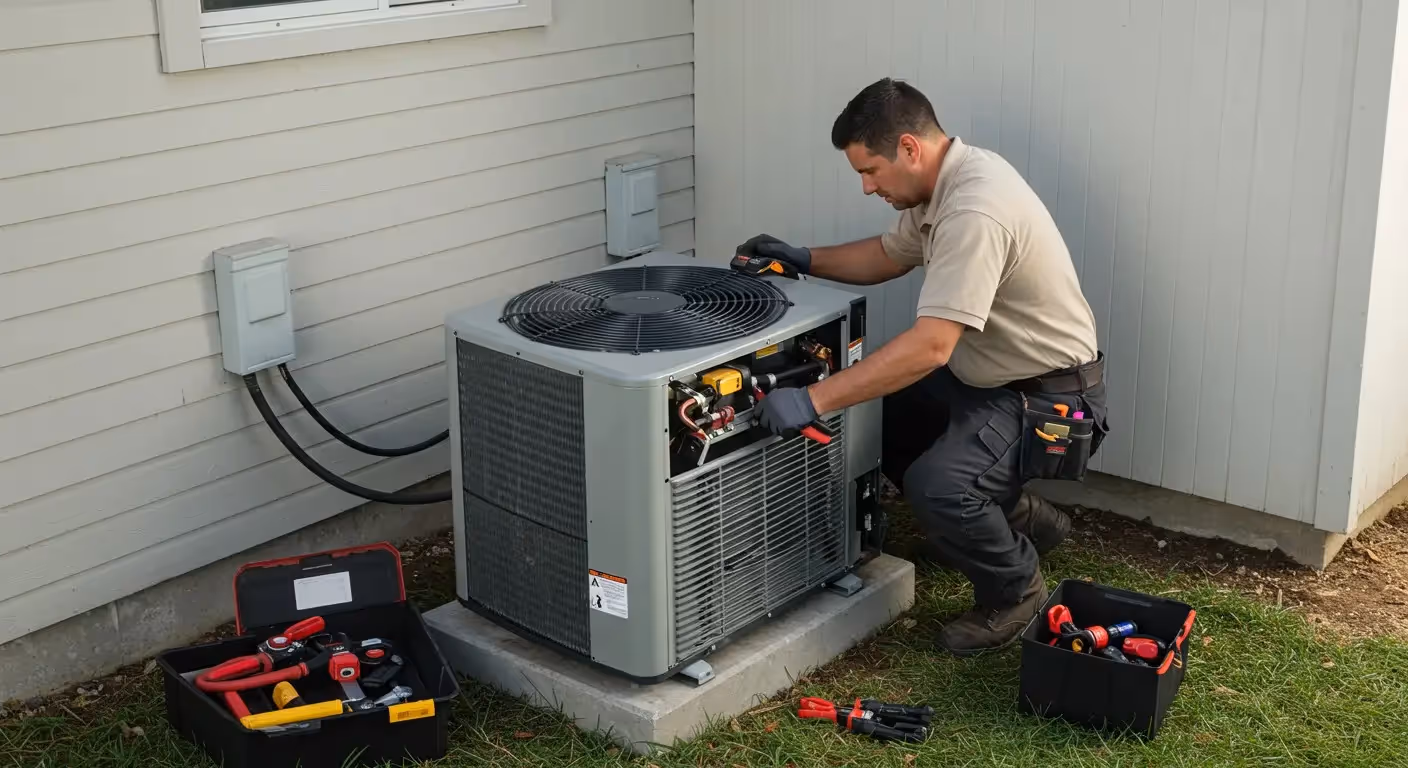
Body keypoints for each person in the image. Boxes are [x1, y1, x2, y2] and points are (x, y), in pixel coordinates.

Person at [748, 78, 1109, 656]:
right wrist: (803, 259)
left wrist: (813, 401)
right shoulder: (944, 185)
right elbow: (888, 255)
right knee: (881, 423)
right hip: (990, 377)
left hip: (1047, 398)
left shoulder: (975, 209)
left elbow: (931, 347)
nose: (868, 188)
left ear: (910, 148)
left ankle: (1016, 590)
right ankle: (1030, 522)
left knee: (937, 487)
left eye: (871, 171)